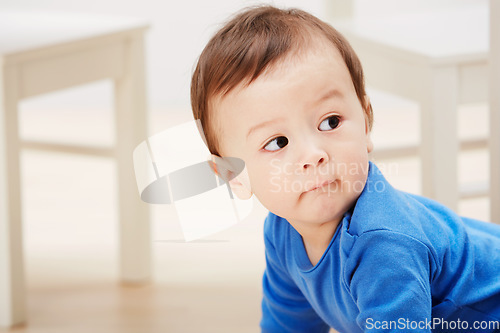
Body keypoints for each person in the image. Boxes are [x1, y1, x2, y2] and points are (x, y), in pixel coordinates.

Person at [190, 5, 500, 333]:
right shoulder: (282, 232)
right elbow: (288, 323)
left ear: (366, 123)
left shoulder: (384, 244)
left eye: (330, 122)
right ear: (233, 176)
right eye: (278, 142)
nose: (313, 154)